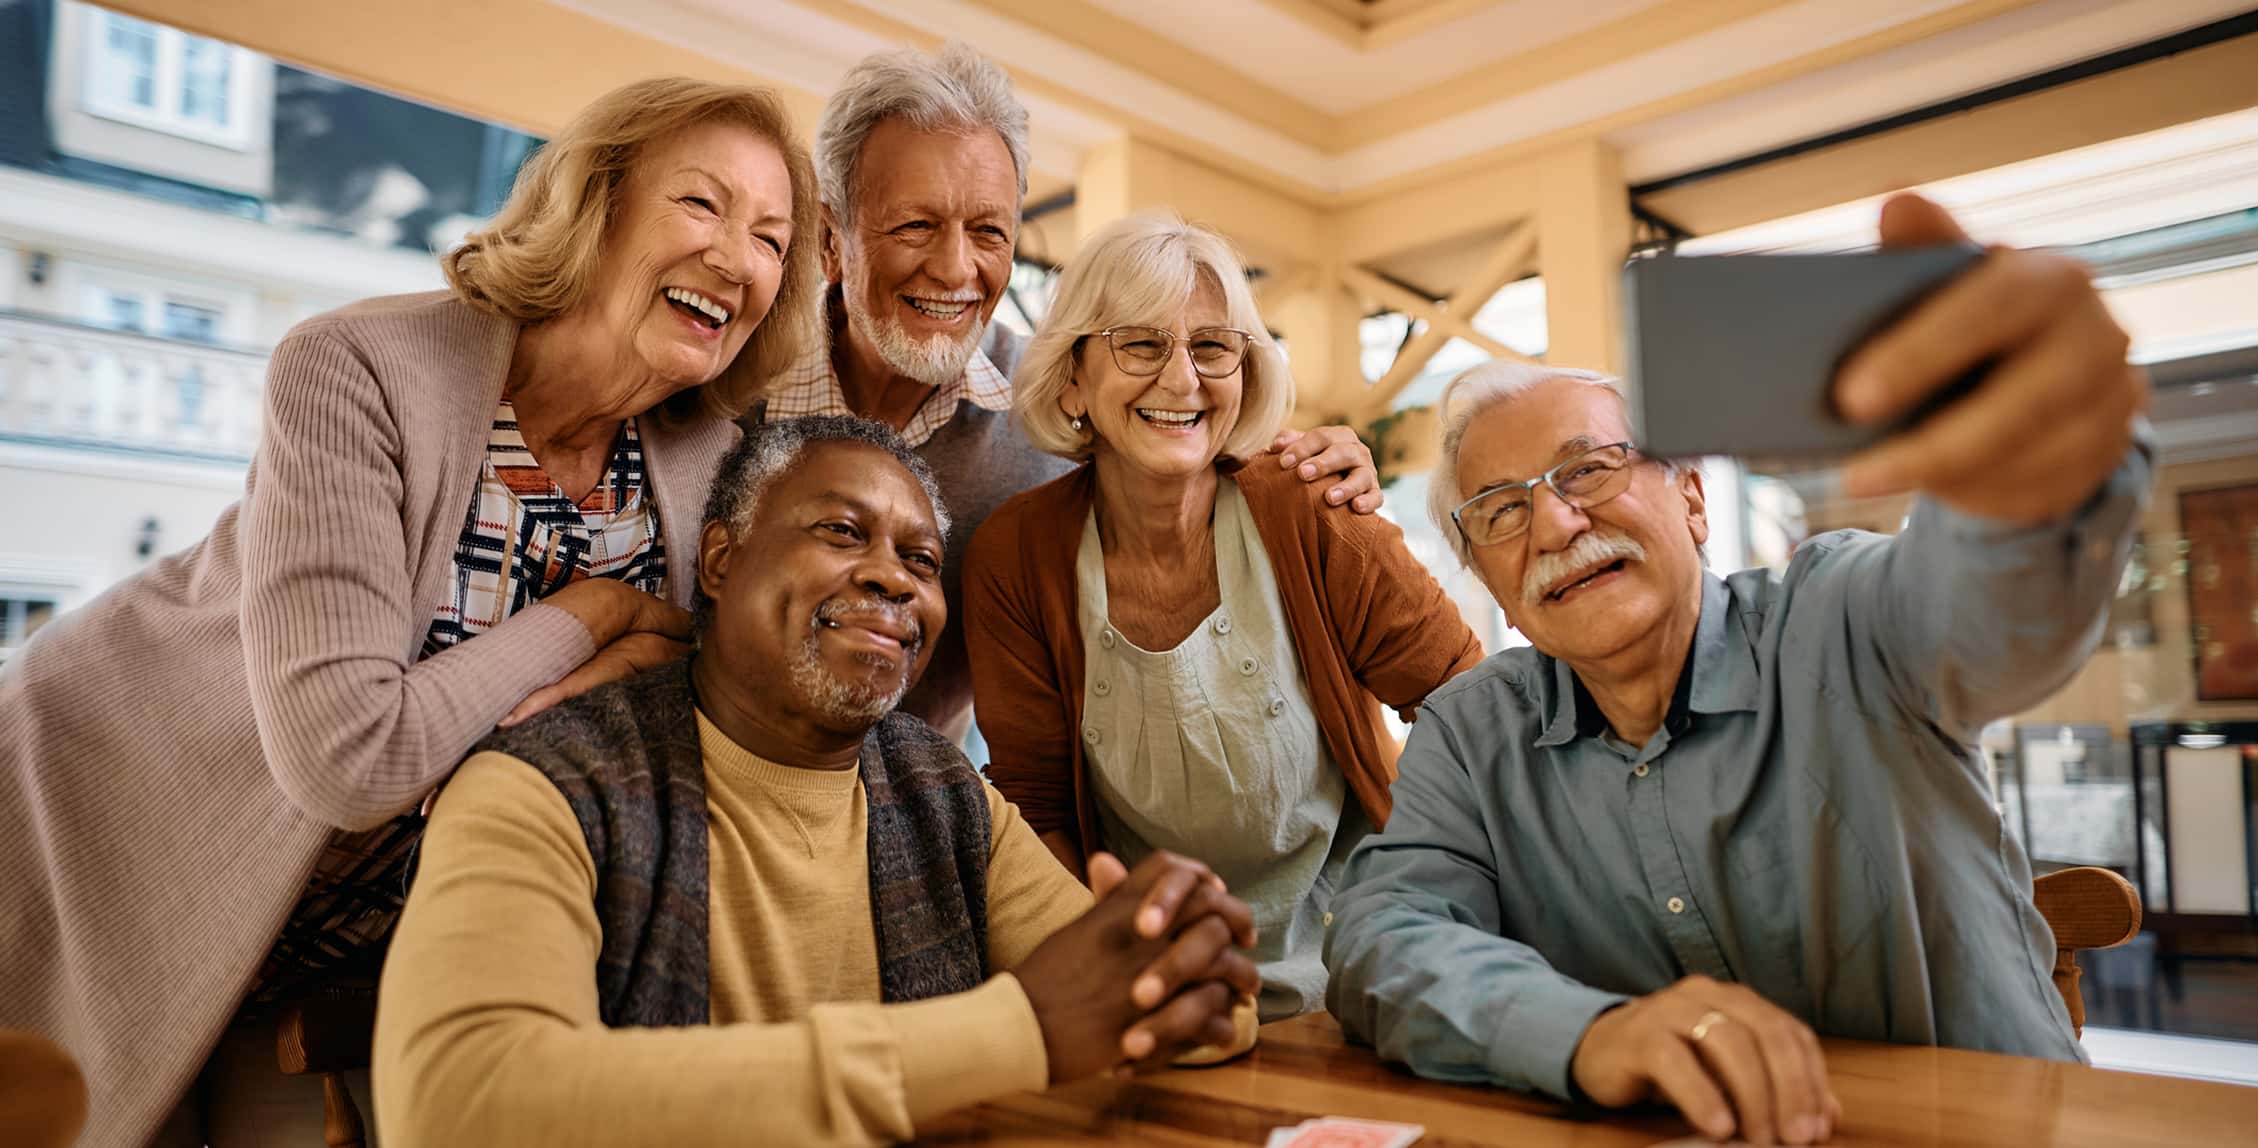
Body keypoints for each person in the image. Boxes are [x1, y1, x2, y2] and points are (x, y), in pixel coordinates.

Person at [0, 78, 823, 1147]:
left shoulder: (703, 465)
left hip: (339, 945)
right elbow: (350, 756)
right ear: (596, 204)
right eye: (702, 206)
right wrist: (589, 614)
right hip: (112, 834)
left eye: (770, 237)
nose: (738, 258)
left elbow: (668, 734)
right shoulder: (358, 367)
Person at [1322, 194, 2151, 1147]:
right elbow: (1383, 939)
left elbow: (1995, 613)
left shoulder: (1843, 619)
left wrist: (2037, 475)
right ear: (1496, 591)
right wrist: (1589, 1032)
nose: (1553, 524)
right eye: (1502, 512)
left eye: (1587, 469)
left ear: (1692, 500)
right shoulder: (1473, 734)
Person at [373, 416, 1259, 1146]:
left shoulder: (942, 790)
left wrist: (1190, 963)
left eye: (920, 561)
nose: (891, 577)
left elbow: (1154, 1006)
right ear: (720, 562)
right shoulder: (545, 786)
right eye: (842, 532)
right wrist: (1016, 1032)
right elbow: (459, 1105)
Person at [749, 43, 1385, 739]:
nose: (957, 268)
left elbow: (1193, 456)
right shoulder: (727, 387)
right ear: (830, 238)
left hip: (919, 803)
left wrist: (1320, 468)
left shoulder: (1062, 399)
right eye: (915, 225)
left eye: (988, 231)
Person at [965, 213, 1484, 1023]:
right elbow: (1038, 811)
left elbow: (1469, 711)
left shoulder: (1311, 504)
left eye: (1212, 347)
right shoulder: (1015, 555)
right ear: (1072, 378)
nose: (1183, 381)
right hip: (1160, 989)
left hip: (1367, 970)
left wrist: (1419, 898)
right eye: (1140, 345)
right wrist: (1115, 978)